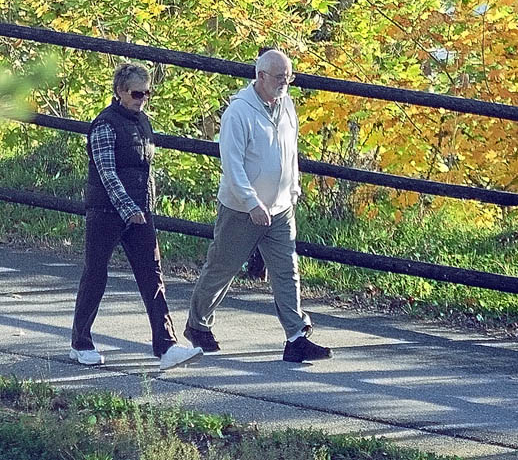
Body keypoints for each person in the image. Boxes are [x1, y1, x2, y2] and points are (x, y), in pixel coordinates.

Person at [184, 48, 331, 363]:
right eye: (280, 77)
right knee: (222, 268)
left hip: (280, 208)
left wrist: (293, 189)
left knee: (286, 270)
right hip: (241, 210)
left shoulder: (287, 104)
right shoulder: (238, 113)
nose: (285, 83)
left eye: (288, 77)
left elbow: (290, 150)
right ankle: (198, 325)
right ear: (260, 76)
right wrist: (251, 203)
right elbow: (233, 165)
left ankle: (296, 337)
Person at [70, 63, 203, 372]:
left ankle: (166, 345)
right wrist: (128, 208)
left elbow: (144, 170)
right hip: (106, 211)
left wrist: (145, 206)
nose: (142, 98)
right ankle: (81, 341)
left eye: (147, 92)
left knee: (152, 276)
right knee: (96, 275)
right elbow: (107, 174)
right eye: (136, 93)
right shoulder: (104, 125)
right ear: (119, 92)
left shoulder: (143, 122)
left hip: (140, 212)